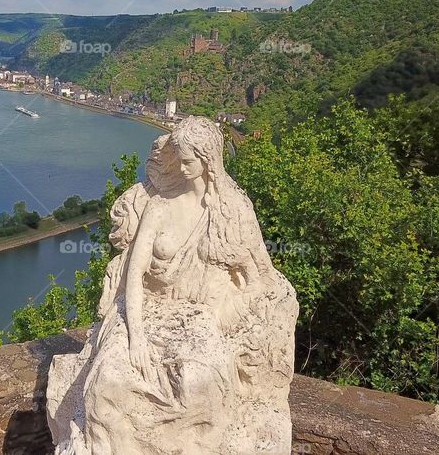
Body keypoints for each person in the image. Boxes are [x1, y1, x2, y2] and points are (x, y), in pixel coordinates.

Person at [47, 117, 299, 454]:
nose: (180, 167)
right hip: (145, 310)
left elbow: (263, 276)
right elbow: (133, 276)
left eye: (187, 160)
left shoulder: (234, 210)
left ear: (208, 160)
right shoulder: (160, 207)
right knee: (109, 380)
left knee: (199, 382)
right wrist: (135, 336)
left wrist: (227, 314)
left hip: (199, 320)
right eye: (177, 159)